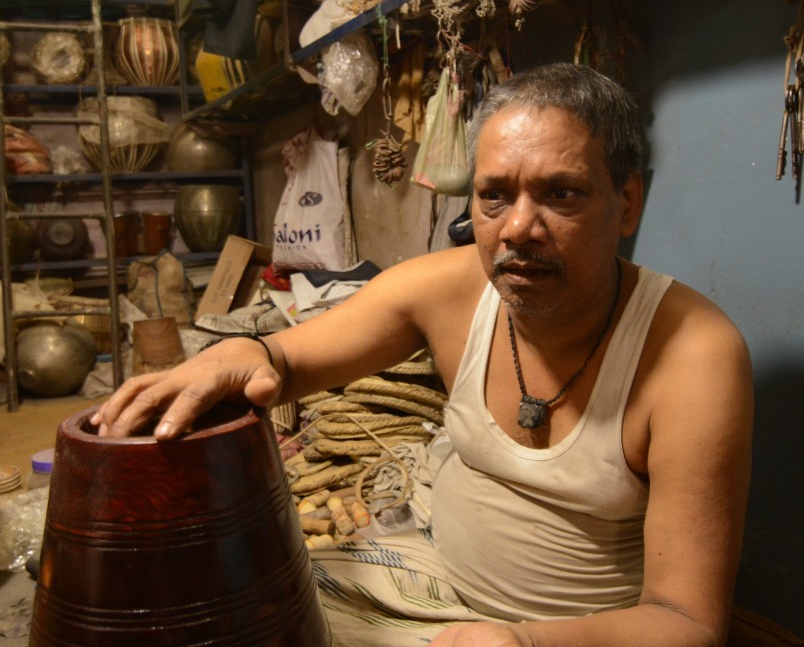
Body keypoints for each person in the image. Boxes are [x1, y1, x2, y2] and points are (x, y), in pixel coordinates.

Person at [93, 62, 753, 647]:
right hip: (429, 582)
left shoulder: (694, 356)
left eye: (561, 194)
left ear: (628, 201)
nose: (518, 227)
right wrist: (235, 353)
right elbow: (282, 360)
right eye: (494, 194)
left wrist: (520, 642)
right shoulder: (447, 288)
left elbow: (686, 622)